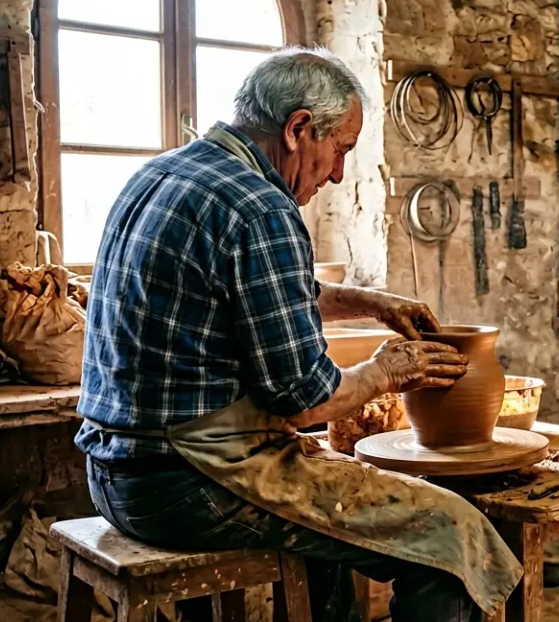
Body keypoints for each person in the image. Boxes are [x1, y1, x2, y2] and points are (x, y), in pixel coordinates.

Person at [76, 47, 519, 621]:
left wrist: (368, 303)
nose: (337, 174)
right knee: (449, 532)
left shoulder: (162, 174)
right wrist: (390, 370)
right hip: (186, 483)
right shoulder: (262, 207)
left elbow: (249, 292)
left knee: (326, 529)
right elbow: (306, 401)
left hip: (113, 471)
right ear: (298, 129)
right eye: (340, 151)